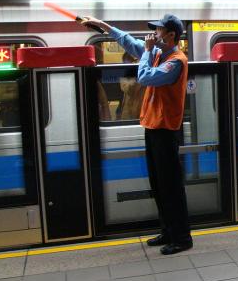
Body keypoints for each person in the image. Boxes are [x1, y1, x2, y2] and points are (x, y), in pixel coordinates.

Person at [81, 14, 192, 254]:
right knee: (158, 184)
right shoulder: (158, 53)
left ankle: (182, 237)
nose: (154, 34)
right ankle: (168, 231)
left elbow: (144, 77)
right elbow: (128, 41)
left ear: (171, 35)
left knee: (171, 186)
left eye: (158, 30)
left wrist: (147, 52)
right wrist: (103, 26)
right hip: (153, 127)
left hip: (166, 130)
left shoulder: (176, 61)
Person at [118, 52, 146, 120]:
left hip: (142, 112)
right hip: (129, 111)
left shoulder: (147, 67)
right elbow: (128, 89)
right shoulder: (128, 71)